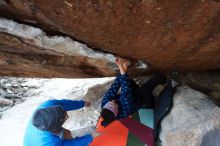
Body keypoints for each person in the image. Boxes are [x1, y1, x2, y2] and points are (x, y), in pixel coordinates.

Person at [100, 57, 167, 127]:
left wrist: (124, 67)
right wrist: (121, 66)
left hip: (129, 95)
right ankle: (163, 79)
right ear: (117, 111)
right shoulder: (125, 109)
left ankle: (137, 88)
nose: (112, 101)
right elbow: (125, 89)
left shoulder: (105, 102)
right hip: (139, 99)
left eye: (109, 103)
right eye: (114, 104)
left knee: (128, 81)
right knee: (158, 78)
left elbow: (115, 86)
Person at [23, 99, 100, 146]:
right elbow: (71, 145)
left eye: (64, 111)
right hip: (35, 143)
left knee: (67, 133)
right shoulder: (49, 143)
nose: (67, 115)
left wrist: (82, 103)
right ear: (55, 129)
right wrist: (90, 137)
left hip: (38, 135)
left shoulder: (48, 105)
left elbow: (65, 104)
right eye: (65, 117)